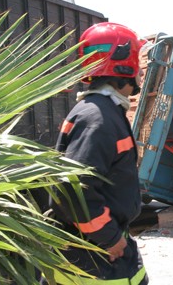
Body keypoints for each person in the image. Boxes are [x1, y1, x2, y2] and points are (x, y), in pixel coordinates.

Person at [49, 22, 148, 284]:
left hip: (96, 250)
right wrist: (111, 238)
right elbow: (74, 189)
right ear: (124, 66)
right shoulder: (99, 118)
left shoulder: (97, 111)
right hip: (98, 257)